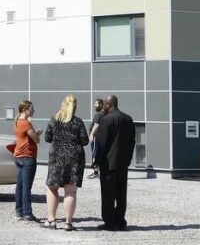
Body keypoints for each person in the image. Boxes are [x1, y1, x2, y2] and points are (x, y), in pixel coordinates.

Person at [44, 95, 89, 231]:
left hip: (56, 156)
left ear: (63, 104)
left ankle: (51, 219)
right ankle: (68, 223)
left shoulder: (54, 120)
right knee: (71, 192)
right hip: (75, 158)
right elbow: (85, 141)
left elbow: (47, 138)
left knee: (52, 188)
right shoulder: (78, 122)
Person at [94, 95, 136, 231]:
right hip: (123, 164)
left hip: (108, 164)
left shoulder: (106, 120)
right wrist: (128, 159)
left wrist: (97, 161)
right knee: (121, 194)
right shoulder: (128, 119)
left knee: (108, 194)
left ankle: (110, 222)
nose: (103, 106)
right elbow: (132, 142)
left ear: (109, 105)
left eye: (104, 104)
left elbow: (102, 143)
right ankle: (120, 220)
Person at [12, 100, 41, 223]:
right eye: (31, 108)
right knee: (26, 187)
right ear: (25, 110)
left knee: (20, 186)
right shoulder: (26, 124)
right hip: (27, 157)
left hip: (18, 156)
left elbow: (26, 137)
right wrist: (37, 133)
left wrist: (34, 132)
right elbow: (36, 140)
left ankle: (19, 211)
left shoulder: (17, 122)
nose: (33, 110)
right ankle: (27, 213)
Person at [87, 98, 105, 179]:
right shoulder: (104, 114)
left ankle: (96, 172)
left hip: (96, 138)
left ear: (101, 104)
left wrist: (92, 135)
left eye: (96, 104)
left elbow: (96, 125)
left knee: (95, 155)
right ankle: (98, 172)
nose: (95, 106)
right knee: (97, 155)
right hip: (99, 138)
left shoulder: (99, 114)